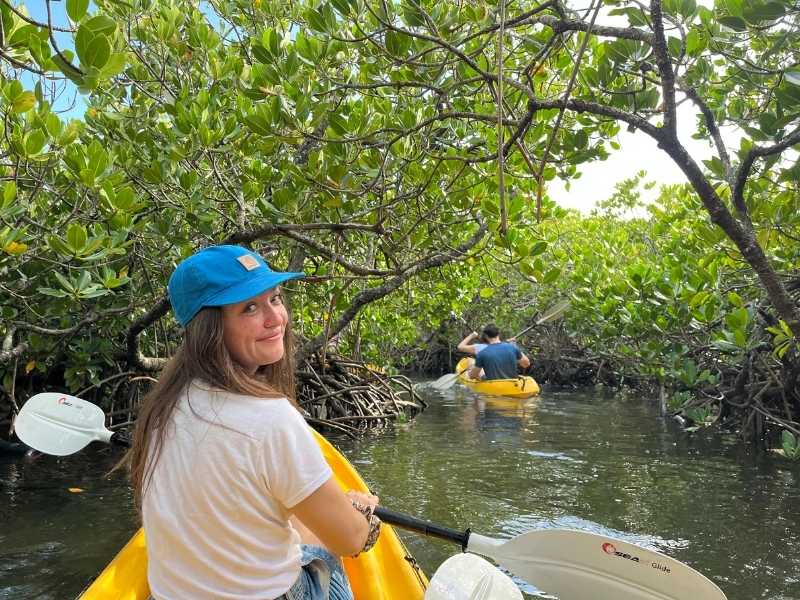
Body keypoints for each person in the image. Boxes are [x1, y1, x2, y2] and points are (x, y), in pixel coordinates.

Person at [122, 245, 381, 600]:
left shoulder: (161, 407)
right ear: (209, 327)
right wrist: (363, 515)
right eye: (250, 307)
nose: (275, 318)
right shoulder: (270, 419)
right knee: (327, 553)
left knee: (300, 524)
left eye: (275, 298)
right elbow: (350, 539)